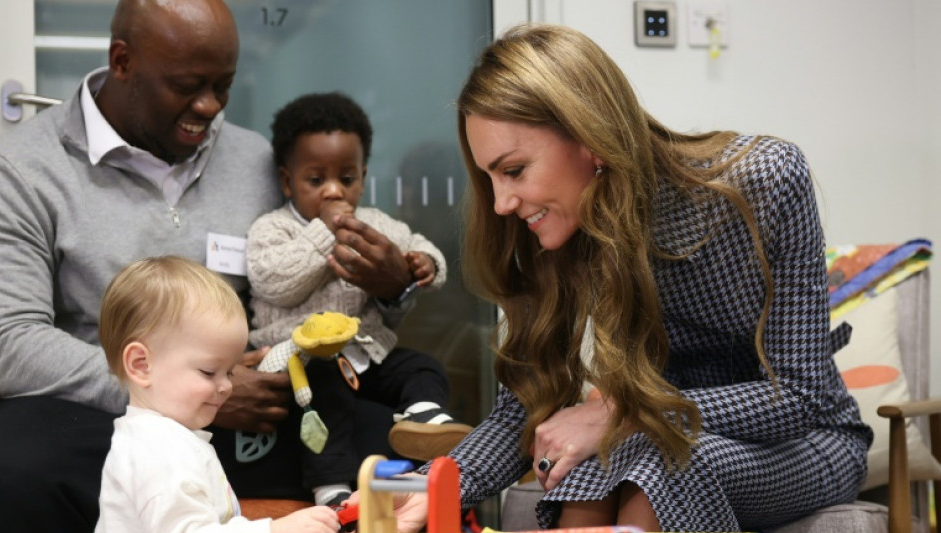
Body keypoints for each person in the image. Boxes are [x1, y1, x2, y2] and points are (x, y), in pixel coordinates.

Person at [379, 24, 873, 532]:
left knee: (657, 461)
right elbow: (522, 410)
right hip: (656, 438)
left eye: (515, 170)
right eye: (490, 178)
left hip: (806, 441)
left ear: (590, 138)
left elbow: (797, 396)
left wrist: (621, 413)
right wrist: (430, 489)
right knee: (596, 463)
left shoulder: (764, 180)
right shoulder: (562, 231)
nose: (501, 203)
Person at [0, 2, 293, 531]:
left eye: (223, 86)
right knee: (15, 468)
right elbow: (8, 341)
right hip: (102, 413)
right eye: (186, 86)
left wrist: (390, 286)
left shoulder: (256, 162)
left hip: (236, 400)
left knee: (369, 432)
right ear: (122, 62)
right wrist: (174, 389)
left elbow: (294, 279)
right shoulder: (20, 169)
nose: (209, 106)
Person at [246, 91, 471, 506]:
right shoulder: (273, 228)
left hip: (364, 354)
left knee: (422, 366)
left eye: (346, 179)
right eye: (316, 180)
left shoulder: (372, 221)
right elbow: (275, 282)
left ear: (363, 178)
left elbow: (414, 242)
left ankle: (423, 418)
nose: (334, 191)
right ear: (287, 181)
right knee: (327, 394)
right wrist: (325, 231)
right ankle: (330, 486)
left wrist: (426, 263)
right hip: (304, 360)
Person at [95, 256, 338, 533]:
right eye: (209, 372)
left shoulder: (164, 438)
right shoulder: (159, 450)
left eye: (230, 372)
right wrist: (275, 530)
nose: (226, 387)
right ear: (141, 365)